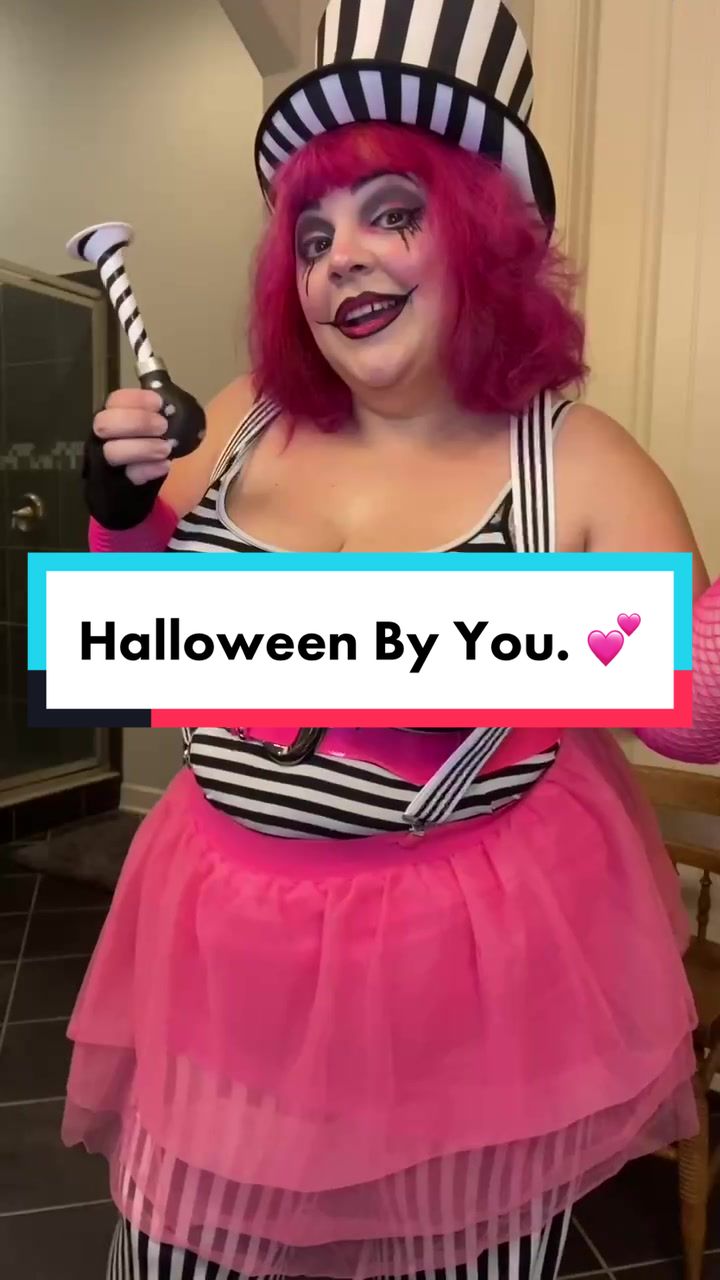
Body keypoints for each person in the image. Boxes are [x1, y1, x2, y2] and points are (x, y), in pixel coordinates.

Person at [65, 3, 720, 1278]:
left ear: (483, 235)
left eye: (392, 214)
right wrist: (119, 514)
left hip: (463, 986)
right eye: (313, 236)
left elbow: (697, 718)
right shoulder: (247, 416)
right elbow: (142, 635)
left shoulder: (578, 463)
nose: (340, 260)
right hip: (224, 953)